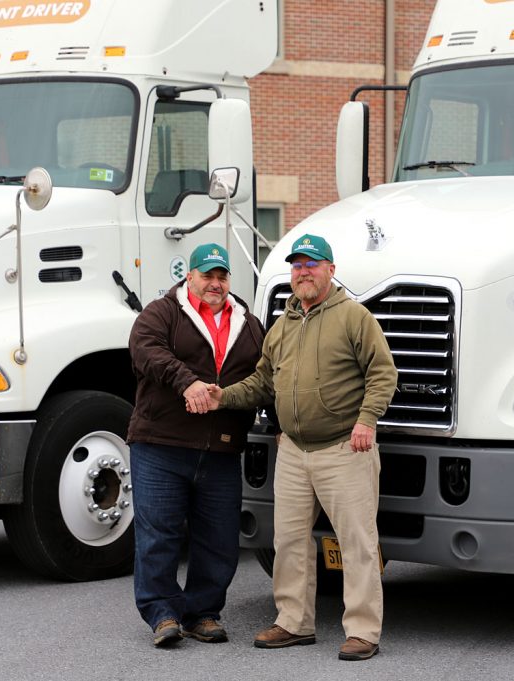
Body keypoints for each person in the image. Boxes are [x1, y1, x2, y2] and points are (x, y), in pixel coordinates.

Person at [201, 233, 396, 661]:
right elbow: (262, 382)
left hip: (345, 447)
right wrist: (223, 396)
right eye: (297, 265)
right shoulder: (283, 325)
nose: (303, 272)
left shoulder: (354, 317)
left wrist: (366, 421)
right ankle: (294, 622)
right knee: (288, 540)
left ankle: (363, 630)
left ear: (331, 269)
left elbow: (383, 373)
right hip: (292, 450)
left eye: (312, 264)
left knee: (357, 542)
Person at [126, 243, 266, 648]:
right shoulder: (162, 313)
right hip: (161, 444)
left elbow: (266, 375)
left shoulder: (250, 325)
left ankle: (202, 613)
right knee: (159, 534)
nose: (215, 283)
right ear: (189, 277)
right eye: (207, 275)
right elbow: (144, 350)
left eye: (222, 276)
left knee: (219, 538)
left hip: (221, 449)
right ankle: (163, 613)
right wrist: (185, 381)